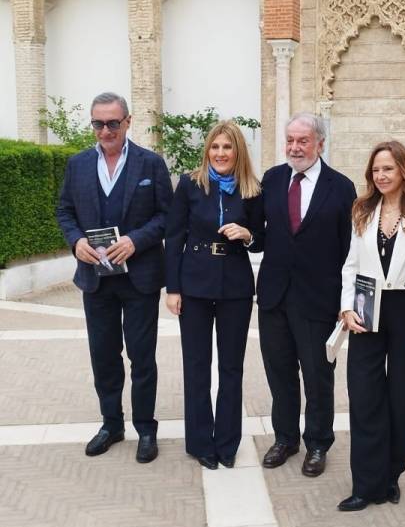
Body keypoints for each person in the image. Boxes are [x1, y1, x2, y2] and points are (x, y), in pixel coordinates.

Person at [57, 92, 173, 463]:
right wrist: (76, 242)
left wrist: (136, 241)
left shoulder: (150, 163)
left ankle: (146, 428)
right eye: (98, 123)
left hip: (139, 279)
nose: (105, 130)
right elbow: (65, 211)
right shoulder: (77, 165)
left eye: (112, 123)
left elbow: (167, 216)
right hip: (96, 280)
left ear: (128, 121)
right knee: (103, 355)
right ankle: (111, 424)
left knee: (142, 357)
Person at [338, 141, 405, 511]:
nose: (381, 176)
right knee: (364, 394)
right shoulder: (362, 210)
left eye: (388, 169)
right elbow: (351, 264)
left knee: (403, 396)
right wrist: (346, 307)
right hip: (366, 306)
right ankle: (366, 485)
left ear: (403, 170)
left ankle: (391, 476)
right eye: (376, 170)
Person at [257, 112, 356, 477]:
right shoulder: (272, 179)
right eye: (290, 140)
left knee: (317, 376)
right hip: (274, 297)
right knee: (279, 373)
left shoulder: (341, 187)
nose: (295, 148)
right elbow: (260, 233)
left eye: (303, 141)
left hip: (318, 299)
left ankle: (317, 443)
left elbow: (349, 249)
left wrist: (346, 303)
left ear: (320, 144)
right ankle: (285, 439)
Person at [164, 121, 263, 470]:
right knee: (196, 366)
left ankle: (227, 443)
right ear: (208, 150)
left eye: (227, 147)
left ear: (238, 151)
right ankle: (200, 442)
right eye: (215, 147)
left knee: (231, 367)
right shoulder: (190, 184)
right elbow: (174, 237)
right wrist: (172, 288)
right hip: (194, 284)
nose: (220, 153)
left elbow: (262, 239)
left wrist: (248, 234)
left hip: (235, 285)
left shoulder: (252, 189)